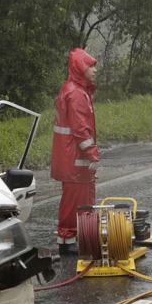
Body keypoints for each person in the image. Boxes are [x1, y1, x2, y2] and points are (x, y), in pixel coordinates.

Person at [51, 48, 100, 255]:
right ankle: (68, 238)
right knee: (77, 201)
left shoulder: (74, 90)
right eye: (91, 66)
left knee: (77, 199)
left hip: (70, 157)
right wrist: (93, 155)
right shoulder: (76, 93)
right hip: (75, 159)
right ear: (81, 68)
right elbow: (81, 129)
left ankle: (72, 237)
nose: (95, 70)